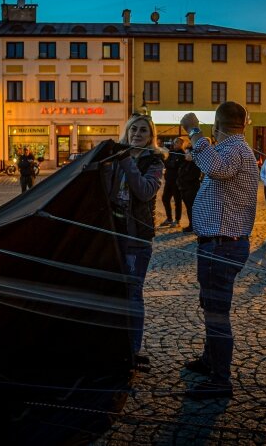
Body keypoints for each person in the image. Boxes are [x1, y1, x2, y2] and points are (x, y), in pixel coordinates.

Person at [179, 101, 259, 399]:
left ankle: (220, 379)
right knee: (211, 306)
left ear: (217, 126)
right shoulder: (237, 148)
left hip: (223, 245)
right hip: (221, 243)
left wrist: (193, 130)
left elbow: (216, 168)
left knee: (216, 313)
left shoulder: (233, 149)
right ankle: (210, 359)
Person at [103, 114, 163, 366]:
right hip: (114, 235)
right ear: (126, 132)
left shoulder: (154, 161)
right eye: (133, 129)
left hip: (137, 238)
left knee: (133, 294)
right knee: (115, 293)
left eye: (143, 131)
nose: (137, 133)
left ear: (150, 137)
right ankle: (114, 346)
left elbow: (145, 191)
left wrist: (127, 160)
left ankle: (133, 350)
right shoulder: (116, 158)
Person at [176, 137, 203, 233]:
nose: (186, 155)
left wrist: (183, 180)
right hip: (184, 189)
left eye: (188, 153)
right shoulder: (184, 163)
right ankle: (191, 225)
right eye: (186, 152)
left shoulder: (195, 164)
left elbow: (194, 176)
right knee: (189, 208)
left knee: (193, 209)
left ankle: (194, 226)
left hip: (191, 189)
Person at [158, 139, 183, 228]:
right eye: (174, 142)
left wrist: (168, 163)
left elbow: (174, 165)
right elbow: (167, 163)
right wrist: (167, 162)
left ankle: (177, 220)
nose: (174, 143)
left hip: (176, 181)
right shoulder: (171, 152)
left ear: (182, 144)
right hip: (168, 180)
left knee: (177, 201)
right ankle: (169, 218)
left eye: (177, 142)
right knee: (165, 198)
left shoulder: (182, 154)